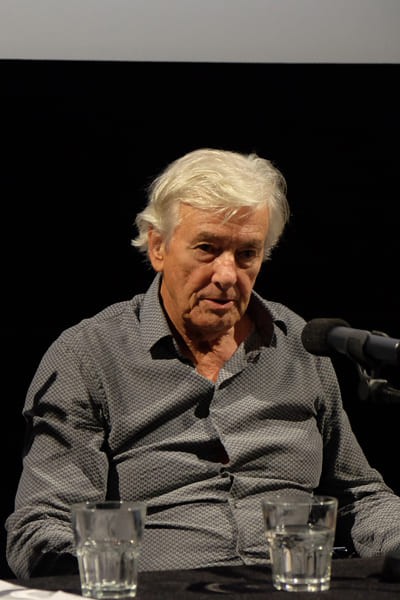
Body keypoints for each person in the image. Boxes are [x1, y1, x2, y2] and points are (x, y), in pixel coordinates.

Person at [6, 148, 400, 579]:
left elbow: (361, 497)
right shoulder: (89, 356)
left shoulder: (300, 344)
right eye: (207, 249)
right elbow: (40, 527)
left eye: (246, 254)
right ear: (158, 246)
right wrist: (108, 577)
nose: (228, 275)